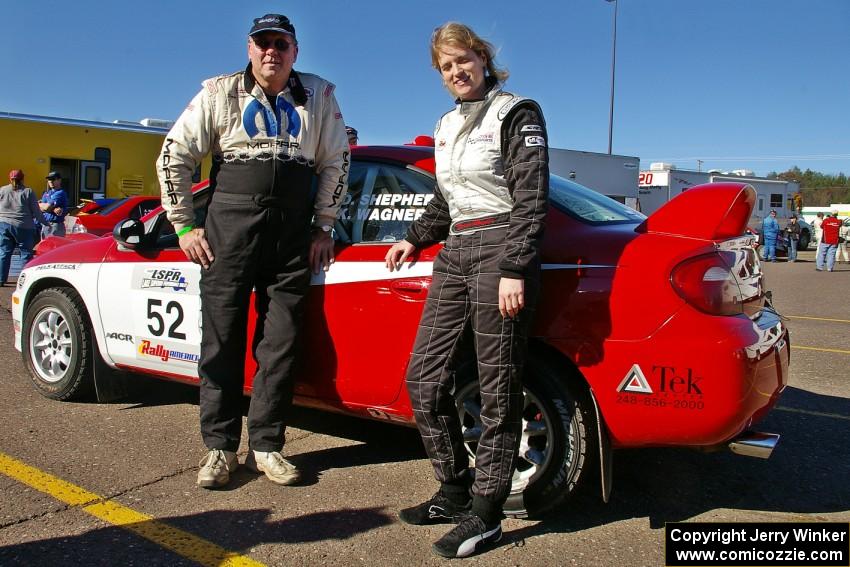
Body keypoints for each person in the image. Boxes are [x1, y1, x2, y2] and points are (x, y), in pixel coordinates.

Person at [157, 13, 349, 489]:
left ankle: (266, 446)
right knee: (220, 342)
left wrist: (324, 224)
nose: (272, 52)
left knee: (280, 344)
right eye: (263, 43)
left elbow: (336, 160)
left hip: (291, 235)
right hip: (229, 228)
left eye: (281, 44)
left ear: (295, 51)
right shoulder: (220, 91)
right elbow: (174, 153)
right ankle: (220, 449)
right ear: (249, 48)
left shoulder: (319, 94)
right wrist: (184, 224)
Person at [385, 22, 549, 559]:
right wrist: (413, 239)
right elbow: (445, 197)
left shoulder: (516, 111)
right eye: (446, 67)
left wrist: (515, 267)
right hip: (456, 250)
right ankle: (454, 490)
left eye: (463, 60)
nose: (457, 72)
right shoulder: (445, 124)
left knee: (499, 392)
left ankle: (487, 514)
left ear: (482, 57)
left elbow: (530, 197)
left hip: (501, 246)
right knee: (423, 381)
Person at [0, 170, 47, 285]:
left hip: (3, 224)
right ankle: (25, 282)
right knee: (25, 254)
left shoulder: (2, 190)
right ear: (23, 178)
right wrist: (45, 223)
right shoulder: (28, 191)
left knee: (4, 253)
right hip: (23, 226)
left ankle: (1, 279)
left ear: (10, 179)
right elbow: (36, 211)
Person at [39, 171, 68, 238]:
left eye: (53, 179)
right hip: (45, 224)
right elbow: (39, 208)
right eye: (49, 179)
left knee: (56, 247)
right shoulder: (46, 193)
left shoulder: (60, 193)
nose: (51, 181)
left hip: (55, 225)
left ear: (59, 180)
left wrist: (42, 205)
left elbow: (46, 208)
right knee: (44, 247)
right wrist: (53, 209)